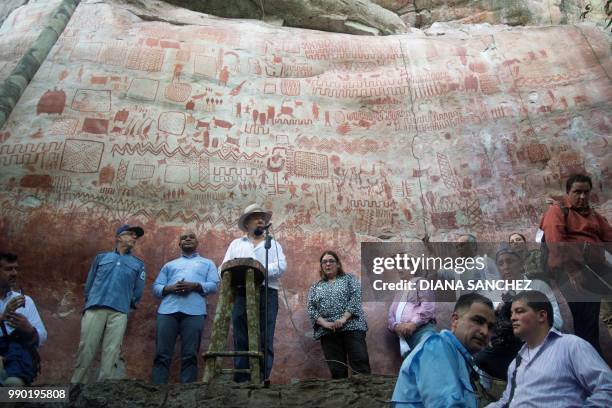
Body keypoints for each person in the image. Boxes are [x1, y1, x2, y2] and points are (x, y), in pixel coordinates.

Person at [487, 290, 612, 407]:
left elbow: (607, 388)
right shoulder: (516, 363)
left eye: (519, 311)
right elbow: (505, 401)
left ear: (541, 315)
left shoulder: (571, 346)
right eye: (511, 313)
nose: (513, 318)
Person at [539, 173, 612, 353]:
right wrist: (572, 271)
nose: (582, 196)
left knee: (593, 317)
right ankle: (590, 367)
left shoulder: (593, 215)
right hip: (570, 270)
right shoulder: (557, 211)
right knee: (586, 320)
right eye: (577, 192)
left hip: (595, 269)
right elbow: (556, 241)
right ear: (568, 192)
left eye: (586, 192)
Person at [391, 293, 496, 407]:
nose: (485, 332)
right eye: (478, 321)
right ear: (455, 320)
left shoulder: (460, 358)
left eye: (490, 327)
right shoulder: (437, 347)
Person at [71, 224, 146, 383]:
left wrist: (127, 305)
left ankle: (104, 389)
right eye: (131, 234)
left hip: (120, 311)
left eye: (136, 236)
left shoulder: (138, 264)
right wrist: (91, 300)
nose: (134, 238)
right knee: (86, 348)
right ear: (118, 237)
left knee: (112, 351)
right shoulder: (101, 258)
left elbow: (138, 292)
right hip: (95, 307)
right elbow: (89, 284)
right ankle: (76, 385)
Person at [474, 246, 563, 381]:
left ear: (521, 264)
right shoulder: (492, 293)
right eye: (501, 263)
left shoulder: (538, 286)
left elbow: (557, 321)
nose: (505, 267)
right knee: (481, 359)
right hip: (505, 348)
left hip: (535, 343)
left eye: (510, 261)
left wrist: (527, 318)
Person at [222, 204, 287, 382]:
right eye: (256, 217)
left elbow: (281, 266)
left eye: (263, 218)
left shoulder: (273, 244)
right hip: (242, 293)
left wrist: (257, 268)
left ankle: (261, 377)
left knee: (265, 335)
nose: (261, 220)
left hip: (268, 293)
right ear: (247, 223)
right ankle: (242, 378)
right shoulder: (236, 244)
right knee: (241, 334)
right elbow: (223, 267)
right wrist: (244, 270)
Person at [151, 231, 219, 384]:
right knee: (162, 353)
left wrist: (194, 285)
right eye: (183, 238)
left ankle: (187, 393)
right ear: (179, 244)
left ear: (197, 243)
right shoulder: (169, 265)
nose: (188, 239)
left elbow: (214, 286)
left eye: (191, 237)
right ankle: (156, 390)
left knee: (190, 354)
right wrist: (171, 288)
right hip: (167, 311)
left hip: (194, 312)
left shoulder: (208, 263)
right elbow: (156, 288)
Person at [307, 251, 370, 378]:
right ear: (321, 266)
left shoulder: (349, 279)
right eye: (324, 262)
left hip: (352, 326)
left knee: (360, 362)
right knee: (337, 370)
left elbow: (355, 298)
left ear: (338, 264)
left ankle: (365, 394)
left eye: (331, 261)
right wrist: (324, 323)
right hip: (328, 331)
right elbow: (311, 308)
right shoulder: (315, 287)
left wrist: (343, 318)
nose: (328, 264)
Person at [0, 252, 47, 386]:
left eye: (16, 268)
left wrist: (29, 330)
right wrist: (2, 318)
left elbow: (43, 336)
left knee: (13, 384)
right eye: (8, 269)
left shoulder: (26, 301)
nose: (14, 273)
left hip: (17, 359)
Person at [387, 258, 436, 359]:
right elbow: (391, 314)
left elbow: (428, 306)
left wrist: (413, 323)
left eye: (403, 266)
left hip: (422, 331)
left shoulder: (421, 282)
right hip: (404, 337)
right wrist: (395, 326)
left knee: (427, 358)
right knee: (412, 369)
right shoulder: (400, 290)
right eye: (398, 267)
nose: (399, 270)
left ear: (413, 268)